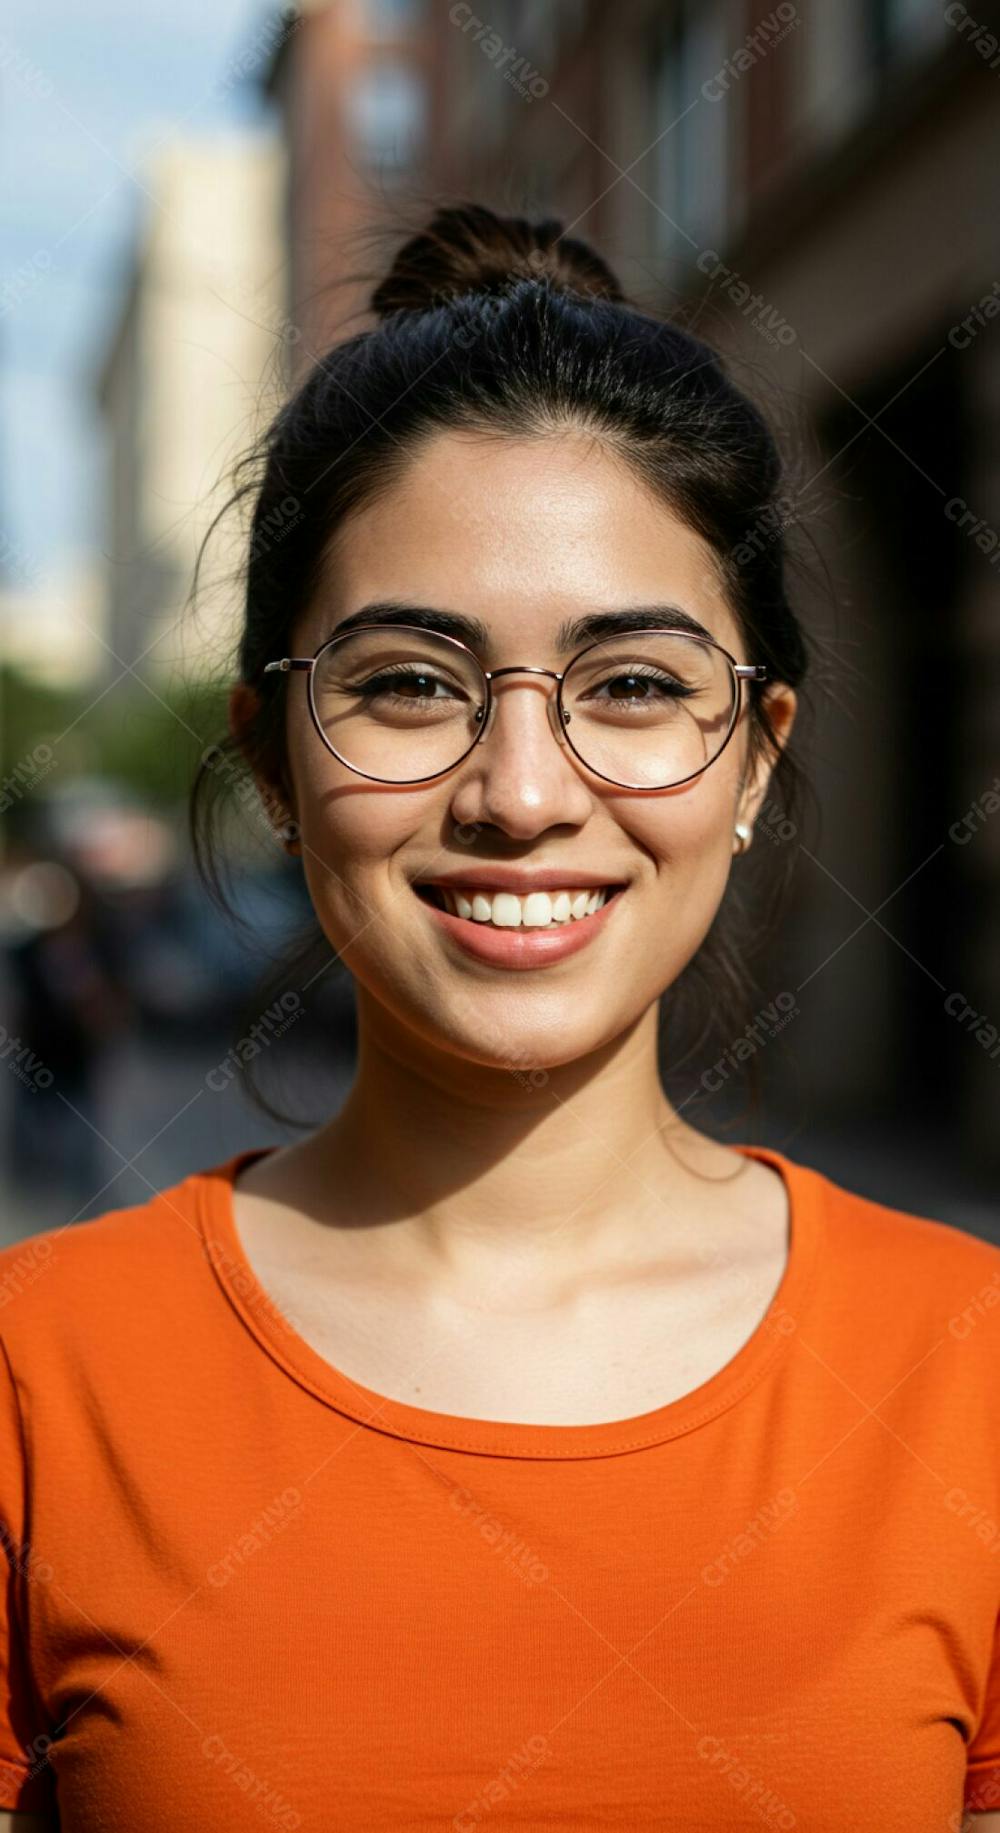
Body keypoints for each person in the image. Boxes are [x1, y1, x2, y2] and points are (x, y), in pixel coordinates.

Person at [0, 202, 997, 1833]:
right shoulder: (37, 1377)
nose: (522, 793)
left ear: (753, 755)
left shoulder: (972, 1373)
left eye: (633, 684)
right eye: (408, 680)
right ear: (273, 755)